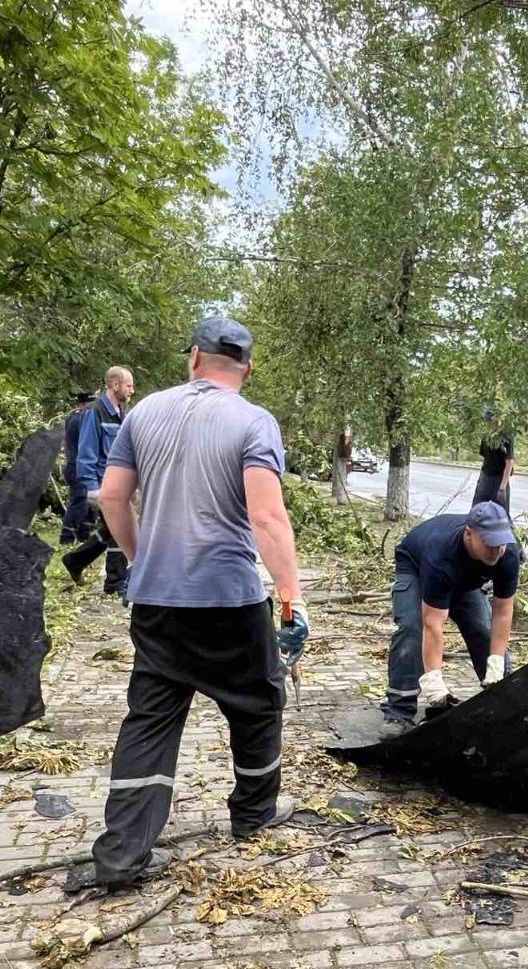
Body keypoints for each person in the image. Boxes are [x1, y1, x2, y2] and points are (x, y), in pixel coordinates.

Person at [82, 317, 309, 890]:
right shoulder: (254, 422)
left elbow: (111, 497)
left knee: (151, 718)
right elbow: (266, 517)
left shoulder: (143, 413)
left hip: (157, 600)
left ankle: (121, 854)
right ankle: (253, 815)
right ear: (247, 369)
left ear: (193, 359)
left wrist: (140, 560)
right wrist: (291, 597)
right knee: (258, 703)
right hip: (228, 599)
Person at [380, 501, 519, 726]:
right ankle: (398, 712)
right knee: (411, 628)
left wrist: (496, 661)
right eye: (490, 543)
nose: (497, 550)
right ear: (469, 534)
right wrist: (433, 680)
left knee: (481, 629)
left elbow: (503, 611)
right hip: (416, 568)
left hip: (465, 580)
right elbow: (433, 623)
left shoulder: (507, 553)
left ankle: (502, 701)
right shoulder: (441, 554)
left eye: (501, 542)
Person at [61, 366, 135, 593]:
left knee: (110, 529)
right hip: (102, 483)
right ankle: (115, 583)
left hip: (117, 482)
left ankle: (75, 560)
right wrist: (91, 488)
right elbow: (86, 452)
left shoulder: (120, 413)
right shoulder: (94, 412)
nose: (132, 390)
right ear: (115, 385)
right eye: (129, 385)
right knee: (120, 527)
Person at [59, 390, 96, 545]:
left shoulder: (73, 416)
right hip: (78, 466)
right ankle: (67, 538)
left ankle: (84, 537)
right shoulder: (81, 418)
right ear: (85, 402)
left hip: (74, 464)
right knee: (79, 502)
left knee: (89, 503)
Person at [474, 409, 514, 514]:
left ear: (496, 421)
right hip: (485, 478)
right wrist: (481, 479)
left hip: (499, 480)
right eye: (485, 420)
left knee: (500, 514)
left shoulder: (506, 437)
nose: (486, 423)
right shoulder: (485, 437)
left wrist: (502, 487)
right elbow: (485, 458)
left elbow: (509, 462)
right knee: (477, 511)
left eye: (488, 420)